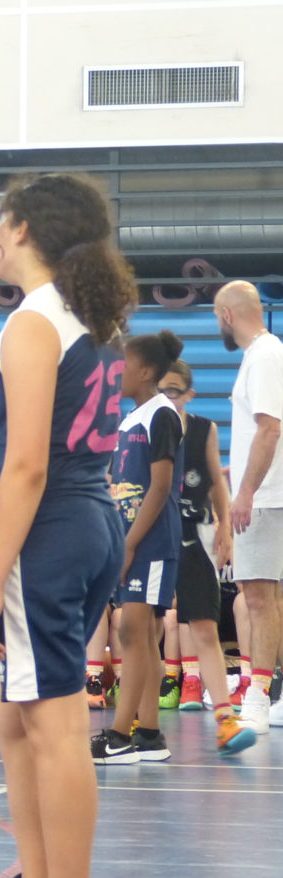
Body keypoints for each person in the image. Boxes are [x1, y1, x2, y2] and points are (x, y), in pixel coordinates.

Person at [0, 172, 131, 878]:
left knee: (59, 730)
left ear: (25, 228)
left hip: (50, 529)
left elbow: (27, 465)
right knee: (17, 720)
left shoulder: (33, 321)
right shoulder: (90, 317)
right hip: (93, 520)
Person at [92, 330, 185, 765]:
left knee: (133, 631)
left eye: (122, 365)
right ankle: (148, 733)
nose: (115, 373)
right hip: (128, 539)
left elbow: (160, 487)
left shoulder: (161, 414)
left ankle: (118, 734)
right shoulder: (130, 418)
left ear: (145, 371)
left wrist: (129, 545)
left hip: (151, 542)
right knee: (141, 634)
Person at [157, 360, 252, 753]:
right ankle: (137, 721)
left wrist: (225, 528)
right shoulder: (141, 425)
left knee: (205, 627)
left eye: (174, 390)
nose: (167, 397)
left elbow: (214, 481)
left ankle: (225, 720)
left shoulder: (203, 429)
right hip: (152, 536)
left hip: (193, 536)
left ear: (189, 394)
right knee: (143, 628)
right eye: (161, 390)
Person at [212, 280, 283, 731]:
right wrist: (235, 470)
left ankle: (256, 696)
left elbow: (270, 429)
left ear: (227, 315)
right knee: (269, 598)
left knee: (257, 597)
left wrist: (246, 492)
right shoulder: (266, 354)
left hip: (266, 496)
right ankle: (272, 693)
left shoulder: (263, 356)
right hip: (267, 491)